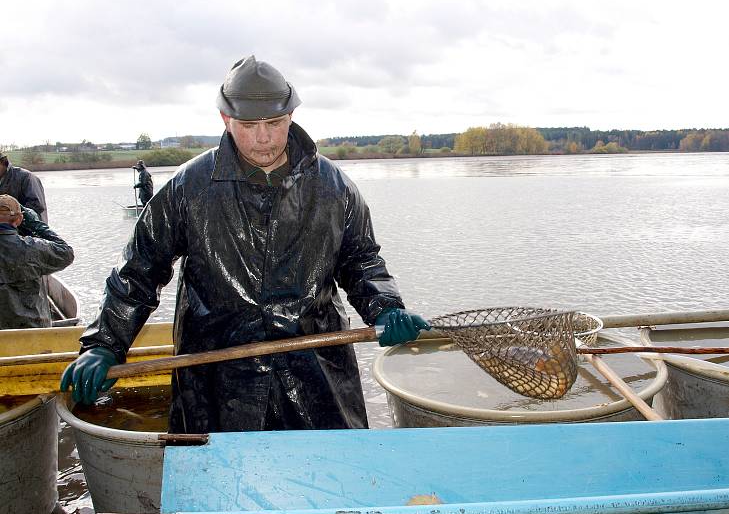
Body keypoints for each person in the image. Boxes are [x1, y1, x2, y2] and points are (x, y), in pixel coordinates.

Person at [61, 55, 429, 433]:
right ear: (226, 120)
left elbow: (362, 261)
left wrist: (386, 308)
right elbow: (137, 271)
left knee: (327, 480)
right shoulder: (190, 187)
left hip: (315, 371)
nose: (263, 137)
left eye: (274, 122)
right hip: (217, 375)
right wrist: (104, 344)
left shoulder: (334, 187)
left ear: (291, 116)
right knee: (220, 482)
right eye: (249, 125)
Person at [0, 195, 74, 329]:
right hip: (33, 331)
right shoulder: (32, 247)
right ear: (19, 219)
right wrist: (36, 225)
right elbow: (66, 252)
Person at [0, 152, 48, 223]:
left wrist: (8, 214)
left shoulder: (26, 177)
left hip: (33, 230)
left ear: (3, 162)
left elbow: (37, 207)